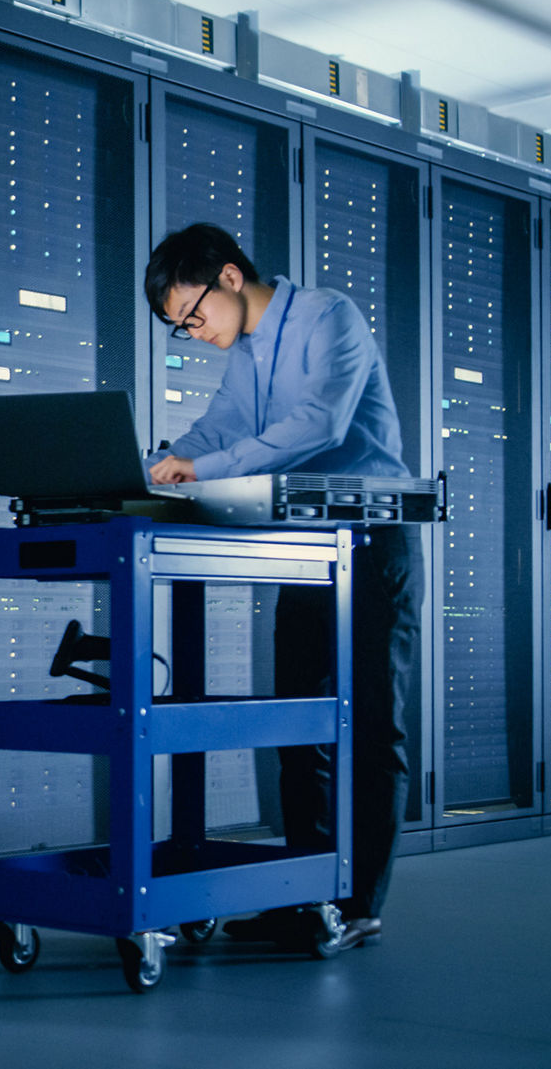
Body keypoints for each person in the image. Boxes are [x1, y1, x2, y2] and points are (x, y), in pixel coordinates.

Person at [143, 222, 423, 954]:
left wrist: (202, 470)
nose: (191, 333)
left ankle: (357, 903)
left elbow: (316, 424)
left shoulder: (331, 318)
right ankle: (304, 892)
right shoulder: (248, 354)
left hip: (373, 537)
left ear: (229, 278)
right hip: (308, 547)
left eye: (190, 315)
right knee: (301, 724)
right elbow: (218, 429)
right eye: (179, 327)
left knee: (370, 724)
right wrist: (159, 462)